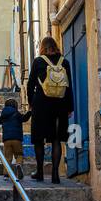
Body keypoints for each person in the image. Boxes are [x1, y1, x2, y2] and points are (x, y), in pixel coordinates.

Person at [27, 35, 73, 183]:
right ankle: (55, 174)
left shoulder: (39, 61)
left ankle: (40, 172)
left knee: (39, 139)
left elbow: (30, 84)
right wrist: (70, 107)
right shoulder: (64, 62)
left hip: (41, 104)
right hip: (60, 104)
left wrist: (31, 102)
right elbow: (69, 86)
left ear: (43, 47)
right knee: (56, 140)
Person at [0, 98, 31, 178]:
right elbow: (24, 119)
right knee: (19, 154)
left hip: (7, 139)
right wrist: (30, 112)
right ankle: (18, 164)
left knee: (7, 157)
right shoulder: (17, 113)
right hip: (17, 139)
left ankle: (6, 174)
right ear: (15, 106)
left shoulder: (4, 114)